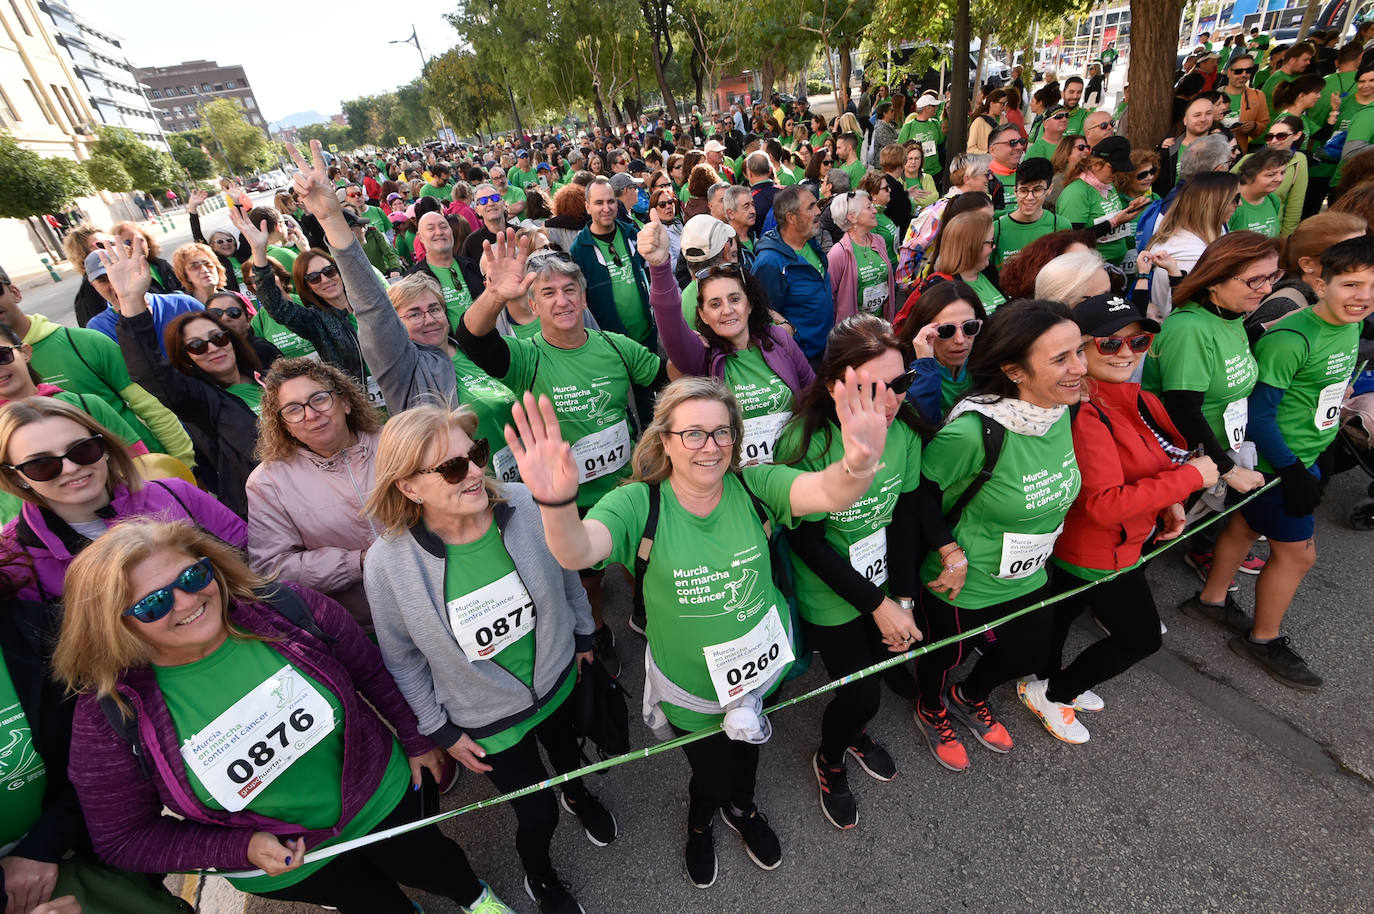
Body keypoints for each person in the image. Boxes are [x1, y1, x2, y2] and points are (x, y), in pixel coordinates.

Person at [505, 366, 891, 886]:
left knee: (749, 752)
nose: (709, 446)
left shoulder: (756, 484)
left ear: (735, 436)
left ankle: (744, 810)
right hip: (692, 689)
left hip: (760, 668)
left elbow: (828, 491)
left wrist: (859, 463)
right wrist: (555, 503)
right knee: (711, 775)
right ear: (665, 439)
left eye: (721, 431)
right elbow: (576, 549)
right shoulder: (638, 502)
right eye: (692, 433)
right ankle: (701, 820)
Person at [54, 521, 514, 914]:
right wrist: (238, 849)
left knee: (435, 861)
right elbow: (123, 838)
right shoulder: (108, 715)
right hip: (282, 862)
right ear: (113, 624)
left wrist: (416, 738)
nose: (186, 602)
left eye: (193, 576)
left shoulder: (284, 608)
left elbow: (369, 668)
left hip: (379, 794)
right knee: (369, 902)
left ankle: (475, 898)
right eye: (152, 604)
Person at [363, 406, 612, 913]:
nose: (476, 471)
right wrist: (441, 731)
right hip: (487, 719)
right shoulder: (388, 564)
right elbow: (403, 660)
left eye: (474, 455)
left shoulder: (522, 503)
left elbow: (566, 572)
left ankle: (578, 793)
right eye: (451, 469)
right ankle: (539, 876)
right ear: (409, 487)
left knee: (568, 759)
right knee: (537, 814)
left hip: (559, 677)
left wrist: (585, 633)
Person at [1016, 293, 1215, 744]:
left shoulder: (1132, 397)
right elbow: (1103, 503)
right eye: (1110, 344)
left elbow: (1147, 462)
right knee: (1141, 636)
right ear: (1080, 351)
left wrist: (1169, 500)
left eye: (1139, 341)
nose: (1127, 352)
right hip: (1098, 549)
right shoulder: (1087, 412)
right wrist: (1186, 481)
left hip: (1114, 541)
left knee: (1061, 612)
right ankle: (1056, 692)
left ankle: (1044, 679)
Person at [1187, 237, 1371, 690]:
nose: (1363, 297)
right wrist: (1290, 470)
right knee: (1298, 555)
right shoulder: (1293, 338)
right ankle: (1262, 639)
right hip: (1274, 462)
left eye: (1372, 286)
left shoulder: (1351, 322)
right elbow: (1260, 415)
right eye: (1350, 284)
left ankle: (1211, 599)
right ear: (1320, 283)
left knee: (1245, 527)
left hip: (1306, 451)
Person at [912, 299, 1085, 772]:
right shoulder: (973, 434)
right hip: (962, 581)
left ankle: (970, 696)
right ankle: (931, 707)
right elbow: (918, 496)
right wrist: (949, 551)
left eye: (1079, 351)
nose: (1079, 368)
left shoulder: (1061, 412)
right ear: (1014, 370)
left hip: (1029, 572)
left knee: (1029, 650)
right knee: (945, 657)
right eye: (1061, 359)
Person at [773, 316, 927, 829]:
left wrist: (902, 600)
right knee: (862, 691)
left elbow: (903, 520)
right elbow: (808, 543)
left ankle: (854, 731)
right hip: (830, 588)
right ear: (837, 384)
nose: (892, 400)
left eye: (901, 383)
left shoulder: (903, 432)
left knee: (879, 667)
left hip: (878, 580)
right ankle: (831, 760)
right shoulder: (805, 441)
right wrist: (879, 606)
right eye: (874, 389)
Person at [0, 397, 246, 602]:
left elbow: (250, 559)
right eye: (41, 464)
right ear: (15, 476)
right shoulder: (13, 558)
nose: (70, 468)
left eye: (82, 449)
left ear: (104, 447)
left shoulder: (176, 493)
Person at [1142, 232, 1278, 594]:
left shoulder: (1231, 315)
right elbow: (1182, 410)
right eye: (1255, 280)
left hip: (1209, 452)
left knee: (1173, 531)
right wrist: (1228, 469)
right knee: (1151, 539)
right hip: (1176, 456)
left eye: (1272, 277)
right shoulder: (1190, 328)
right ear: (1216, 279)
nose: (1266, 290)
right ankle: (1113, 603)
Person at [641, 214, 812, 468]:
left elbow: (812, 394)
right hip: (737, 481)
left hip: (792, 471)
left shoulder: (779, 339)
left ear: (750, 303)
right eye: (715, 303)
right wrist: (659, 266)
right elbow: (671, 327)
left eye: (734, 299)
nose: (727, 310)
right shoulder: (703, 356)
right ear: (703, 315)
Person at [0, 265, 194, 470]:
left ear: (14, 292)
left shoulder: (86, 342)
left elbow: (154, 408)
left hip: (144, 474)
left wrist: (185, 464)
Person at [246, 359, 384, 630]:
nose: (310, 415)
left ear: (344, 402)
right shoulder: (267, 483)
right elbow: (272, 568)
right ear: (283, 424)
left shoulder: (395, 442)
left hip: (440, 593)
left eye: (319, 399)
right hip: (364, 626)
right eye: (293, 409)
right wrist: (358, 562)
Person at [570, 176, 656, 354]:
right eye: (599, 203)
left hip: (648, 338)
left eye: (611, 201)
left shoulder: (632, 233)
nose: (606, 208)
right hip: (612, 346)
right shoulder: (579, 249)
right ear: (588, 207)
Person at [1143, 171, 1243, 319]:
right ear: (1212, 203)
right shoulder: (1189, 257)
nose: (1240, 204)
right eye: (1235, 198)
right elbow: (1186, 313)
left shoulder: (1213, 230)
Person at [754, 186, 836, 363]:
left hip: (825, 352)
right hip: (800, 360)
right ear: (791, 217)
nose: (818, 211)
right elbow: (764, 318)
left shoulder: (810, 242)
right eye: (810, 207)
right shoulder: (770, 263)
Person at [895, 279, 987, 422]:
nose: (960, 340)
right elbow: (922, 427)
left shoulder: (989, 365)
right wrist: (924, 365)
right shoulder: (899, 375)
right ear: (923, 332)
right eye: (946, 330)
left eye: (970, 327)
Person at [83, 250, 202, 356]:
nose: (115, 285)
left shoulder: (182, 305)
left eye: (121, 275)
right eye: (104, 280)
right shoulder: (97, 329)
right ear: (93, 284)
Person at [1055, 138, 1152, 267]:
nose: (1117, 173)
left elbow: (1109, 214)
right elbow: (1072, 239)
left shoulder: (1107, 184)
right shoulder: (1077, 192)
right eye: (1113, 168)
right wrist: (1114, 222)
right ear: (1096, 164)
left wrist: (1131, 207)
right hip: (1091, 268)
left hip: (1114, 266)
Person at [406, 211, 487, 329]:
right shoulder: (413, 279)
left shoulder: (472, 266)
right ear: (420, 237)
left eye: (443, 227)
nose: (439, 232)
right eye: (430, 229)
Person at [827, 190, 896, 322]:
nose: (875, 211)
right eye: (869, 207)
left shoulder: (879, 241)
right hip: (855, 333)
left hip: (881, 326)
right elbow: (829, 297)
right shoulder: (838, 253)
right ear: (852, 217)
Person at [992, 158, 1071, 268]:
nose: (1030, 197)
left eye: (1037, 190)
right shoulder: (997, 229)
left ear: (1049, 189)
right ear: (1015, 191)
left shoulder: (1061, 225)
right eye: (1023, 190)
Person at [931, 210, 1006, 313]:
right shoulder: (943, 291)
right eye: (991, 242)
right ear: (971, 246)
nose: (994, 246)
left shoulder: (989, 272)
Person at [1228, 146, 1290, 237]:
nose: (1279, 179)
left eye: (1282, 173)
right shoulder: (1231, 204)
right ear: (1248, 177)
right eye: (1270, 175)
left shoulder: (1273, 199)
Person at [1219, 52, 1270, 153]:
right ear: (1229, 72)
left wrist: (1254, 126)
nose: (1244, 75)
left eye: (1248, 71)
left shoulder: (1258, 96)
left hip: (1239, 153)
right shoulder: (1214, 96)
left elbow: (1264, 124)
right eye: (1238, 71)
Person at [986, 123, 1027, 216]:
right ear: (993, 150)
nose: (1020, 147)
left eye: (1021, 141)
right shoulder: (982, 179)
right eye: (1012, 143)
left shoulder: (1030, 175)